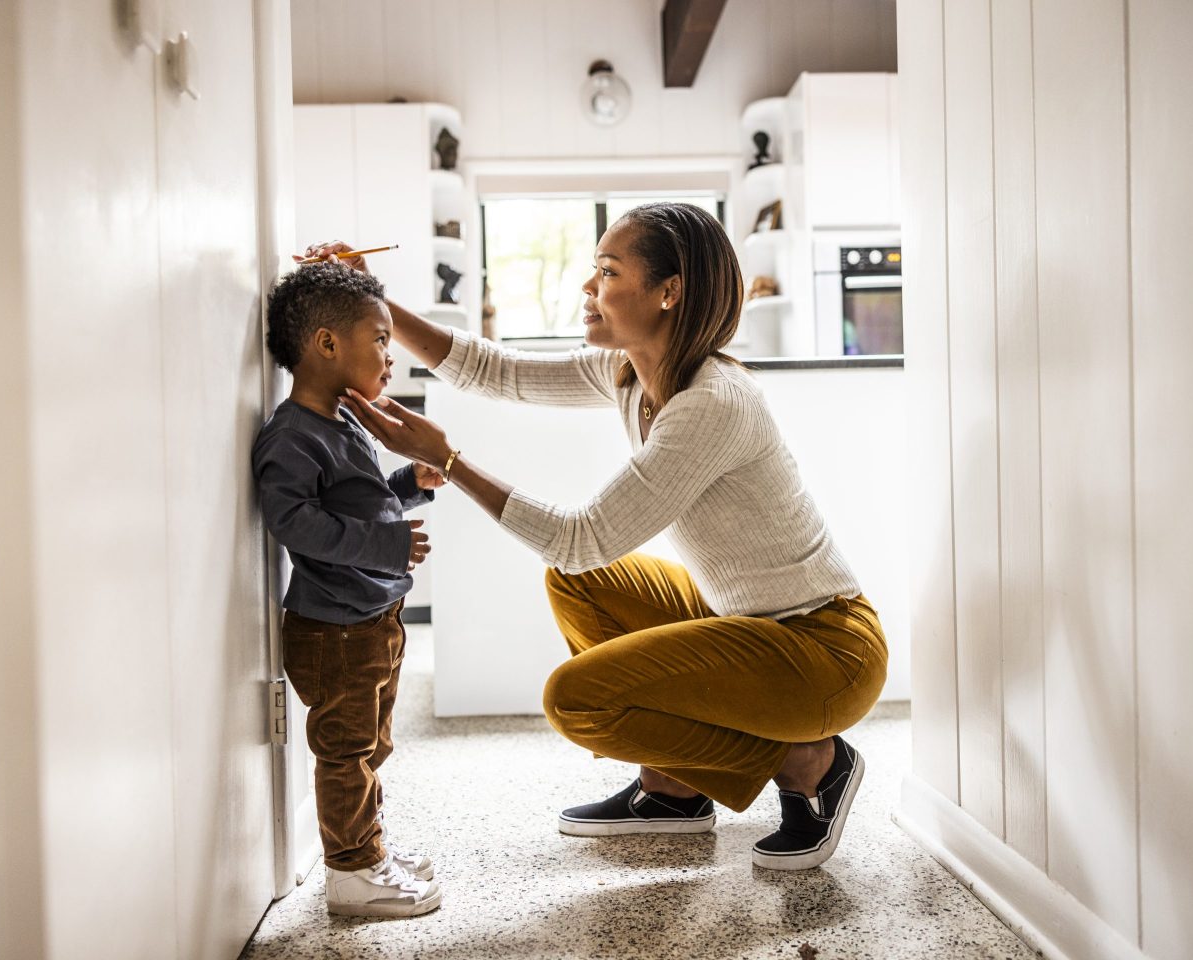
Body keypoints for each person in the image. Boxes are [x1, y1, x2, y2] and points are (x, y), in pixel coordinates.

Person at [305, 201, 887, 872]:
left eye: (607, 271)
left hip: (824, 653)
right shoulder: (632, 374)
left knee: (576, 699)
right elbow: (497, 371)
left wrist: (453, 463)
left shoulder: (712, 403)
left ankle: (812, 762)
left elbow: (583, 537)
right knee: (578, 582)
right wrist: (373, 301)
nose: (587, 288)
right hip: (752, 627)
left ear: (668, 292)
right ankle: (676, 786)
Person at [251, 264, 445, 916]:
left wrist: (407, 488)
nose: (391, 355)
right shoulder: (291, 436)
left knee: (371, 746)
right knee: (347, 752)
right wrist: (389, 545)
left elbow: (357, 512)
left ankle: (370, 847)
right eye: (381, 338)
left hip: (369, 619)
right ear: (328, 344)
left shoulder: (340, 423)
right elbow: (296, 526)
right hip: (334, 629)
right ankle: (352, 873)